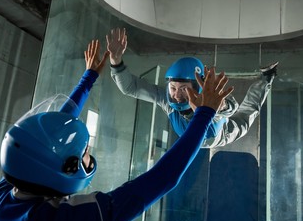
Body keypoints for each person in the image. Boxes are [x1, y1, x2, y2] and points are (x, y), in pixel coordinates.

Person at [0, 39, 233, 221]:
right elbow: (162, 177)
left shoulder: (3, 195)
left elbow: (50, 134)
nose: (90, 156)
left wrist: (88, 78)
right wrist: (205, 113)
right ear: (64, 169)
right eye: (85, 152)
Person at [107, 28, 278, 156]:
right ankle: (267, 77)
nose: (176, 95)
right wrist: (116, 62)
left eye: (183, 89)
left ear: (197, 87)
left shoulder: (207, 98)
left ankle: (267, 78)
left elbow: (232, 109)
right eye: (173, 88)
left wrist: (217, 104)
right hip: (197, 137)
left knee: (248, 113)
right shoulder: (167, 100)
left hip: (222, 135)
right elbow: (131, 88)